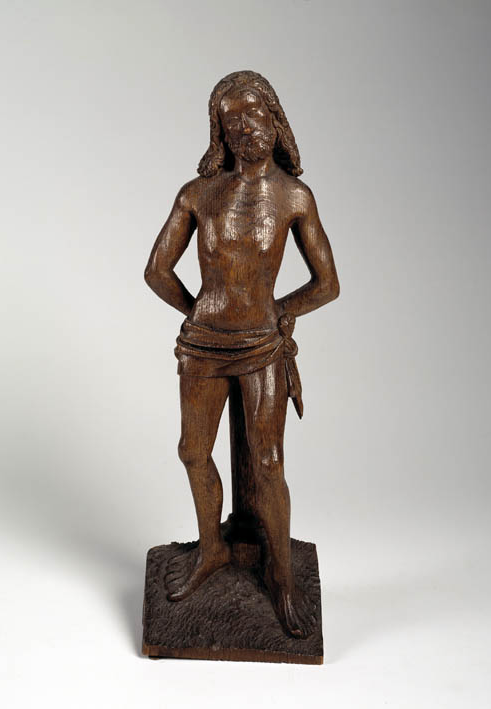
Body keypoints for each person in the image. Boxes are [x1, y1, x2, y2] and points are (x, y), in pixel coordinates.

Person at [145, 70, 339, 638]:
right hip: (203, 346)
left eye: (254, 115)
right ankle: (211, 549)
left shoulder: (293, 197)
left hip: (260, 346)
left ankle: (282, 574)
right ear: (220, 135)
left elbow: (326, 284)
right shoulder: (198, 193)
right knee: (192, 451)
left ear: (275, 119)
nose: (245, 129)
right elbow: (157, 270)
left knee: (268, 460)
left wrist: (279, 312)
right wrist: (198, 314)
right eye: (231, 123)